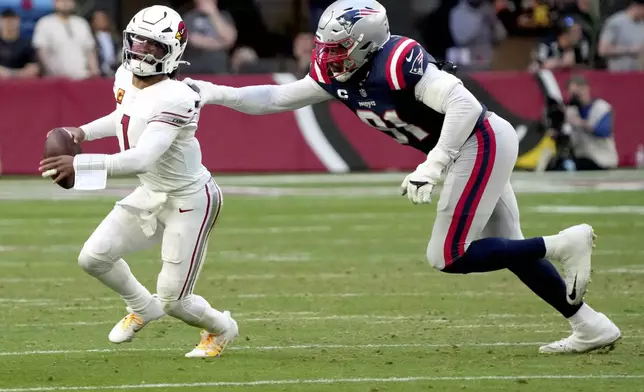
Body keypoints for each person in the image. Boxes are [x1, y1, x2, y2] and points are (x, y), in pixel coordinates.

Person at [185, 0, 621, 353]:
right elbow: (278, 96)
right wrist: (215, 92)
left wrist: (433, 165)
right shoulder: (337, 68)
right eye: (326, 47)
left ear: (366, 43)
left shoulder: (397, 60)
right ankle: (590, 325)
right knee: (509, 246)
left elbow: (465, 107)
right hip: (468, 148)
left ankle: (565, 243)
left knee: (447, 254)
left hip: (478, 141)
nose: (327, 57)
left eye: (338, 48)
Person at [38, 5, 238, 359]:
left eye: (153, 46)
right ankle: (143, 307)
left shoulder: (177, 96)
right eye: (138, 42)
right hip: (151, 191)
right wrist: (80, 131)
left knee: (175, 300)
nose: (142, 52)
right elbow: (123, 116)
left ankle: (222, 328)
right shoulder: (124, 77)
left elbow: (143, 157)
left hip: (189, 199)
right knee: (93, 258)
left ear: (172, 51)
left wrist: (80, 165)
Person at [32, 0, 100, 79]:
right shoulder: (44, 23)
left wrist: (94, 71)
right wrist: (51, 73)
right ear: (55, 3)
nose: (65, 3)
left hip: (83, 78)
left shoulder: (81, 23)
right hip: (56, 80)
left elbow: (90, 50)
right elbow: (42, 52)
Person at [564, 74, 618, 170]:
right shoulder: (570, 111)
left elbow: (603, 132)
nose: (575, 98)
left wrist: (582, 123)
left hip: (602, 160)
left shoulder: (602, 108)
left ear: (585, 89)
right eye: (572, 95)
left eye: (577, 94)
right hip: (581, 158)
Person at [598, 0, 644, 72]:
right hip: (619, 75)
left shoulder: (642, 24)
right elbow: (603, 50)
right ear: (637, 6)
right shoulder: (616, 22)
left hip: (638, 75)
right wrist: (630, 50)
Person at [0, 8, 39, 79]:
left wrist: (11, 74)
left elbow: (34, 68)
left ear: (18, 21)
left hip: (21, 85)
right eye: (6, 20)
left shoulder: (27, 44)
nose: (9, 23)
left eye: (12, 20)